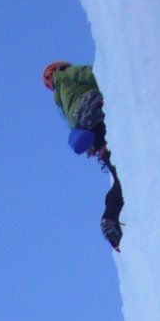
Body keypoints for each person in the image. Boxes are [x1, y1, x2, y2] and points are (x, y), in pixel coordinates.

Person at [42, 61, 124, 251]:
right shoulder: (67, 74)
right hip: (93, 108)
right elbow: (92, 73)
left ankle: (110, 217)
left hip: (90, 128)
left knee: (120, 177)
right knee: (123, 176)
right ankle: (112, 217)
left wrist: (97, 146)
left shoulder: (62, 106)